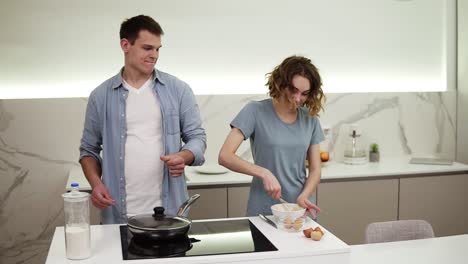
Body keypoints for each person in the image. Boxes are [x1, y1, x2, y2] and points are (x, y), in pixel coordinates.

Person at [79, 15, 206, 224]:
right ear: (125, 45)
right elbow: (88, 150)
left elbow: (197, 138)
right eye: (147, 48)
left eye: (158, 49)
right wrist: (96, 184)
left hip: (170, 213)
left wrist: (184, 156)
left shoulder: (178, 90)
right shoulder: (100, 96)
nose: (154, 55)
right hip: (117, 214)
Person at [218, 55, 325, 218]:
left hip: (301, 208)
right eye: (293, 90)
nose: (298, 99)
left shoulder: (310, 118)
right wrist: (264, 173)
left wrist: (304, 196)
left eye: (304, 94)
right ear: (281, 83)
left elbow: (316, 170)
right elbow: (225, 156)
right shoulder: (255, 110)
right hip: (264, 209)